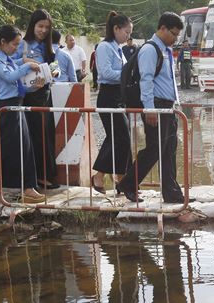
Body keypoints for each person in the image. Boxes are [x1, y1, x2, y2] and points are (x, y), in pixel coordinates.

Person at [116, 12, 188, 203]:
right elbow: (145, 81)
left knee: (169, 149)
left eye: (177, 35)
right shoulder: (150, 49)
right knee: (154, 149)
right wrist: (149, 109)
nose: (175, 38)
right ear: (162, 28)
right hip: (156, 106)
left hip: (168, 107)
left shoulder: (165, 50)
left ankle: (171, 192)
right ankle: (128, 183)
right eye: (173, 34)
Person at [0, 25, 45, 204]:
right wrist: (27, 65)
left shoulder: (7, 58)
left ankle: (29, 187)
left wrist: (33, 85)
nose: (16, 48)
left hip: (17, 104)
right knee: (2, 148)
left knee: (25, 146)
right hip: (5, 107)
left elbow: (17, 83)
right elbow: (9, 77)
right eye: (14, 44)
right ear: (2, 42)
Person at [16, 9, 59, 190]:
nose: (43, 30)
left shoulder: (49, 46)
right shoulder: (22, 45)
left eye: (47, 27)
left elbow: (55, 65)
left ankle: (47, 174)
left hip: (46, 94)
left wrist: (55, 72)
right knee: (36, 136)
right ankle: (38, 177)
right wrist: (25, 63)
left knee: (47, 136)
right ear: (32, 25)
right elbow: (10, 64)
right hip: (29, 96)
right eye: (40, 26)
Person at [91, 11, 133, 195]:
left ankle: (121, 178)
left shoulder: (117, 47)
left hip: (118, 97)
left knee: (120, 137)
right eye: (126, 32)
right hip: (108, 96)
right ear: (116, 28)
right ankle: (101, 176)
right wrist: (127, 75)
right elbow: (106, 73)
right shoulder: (104, 47)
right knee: (119, 136)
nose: (128, 36)